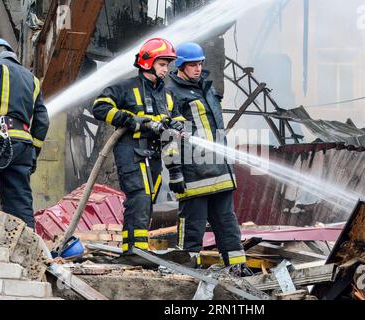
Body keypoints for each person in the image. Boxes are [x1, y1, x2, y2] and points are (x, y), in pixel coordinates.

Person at [165, 42, 251, 275]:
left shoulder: (207, 89)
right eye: (192, 64)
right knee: (193, 225)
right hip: (193, 173)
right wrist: (175, 171)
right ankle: (187, 270)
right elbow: (168, 135)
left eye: (200, 63)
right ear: (181, 65)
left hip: (220, 170)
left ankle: (237, 268)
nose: (197, 67)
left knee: (227, 223)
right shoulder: (171, 92)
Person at [92, 38, 183, 254]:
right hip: (131, 152)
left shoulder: (167, 95)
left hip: (155, 156)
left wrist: (177, 126)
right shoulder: (125, 88)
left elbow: (173, 129)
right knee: (140, 197)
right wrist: (132, 120)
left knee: (148, 201)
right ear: (147, 62)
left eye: (167, 64)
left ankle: (139, 249)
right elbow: (100, 107)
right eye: (162, 64)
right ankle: (134, 250)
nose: (165, 69)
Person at [0, 38, 49, 229]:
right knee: (20, 204)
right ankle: (27, 252)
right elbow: (42, 122)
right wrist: (33, 154)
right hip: (23, 146)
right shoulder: (32, 79)